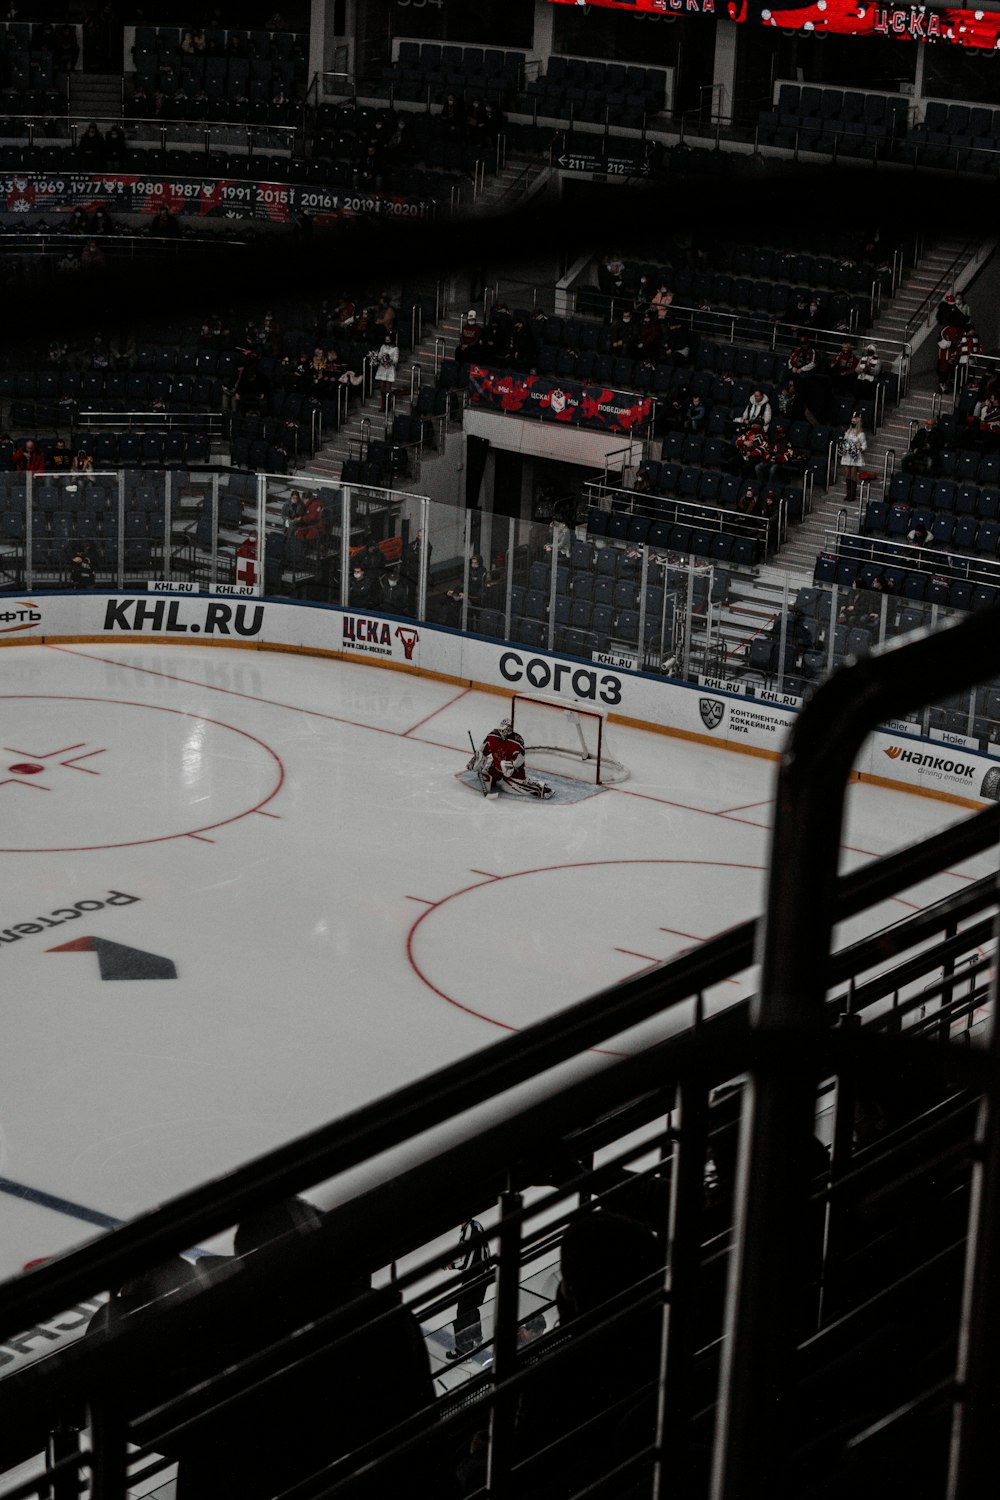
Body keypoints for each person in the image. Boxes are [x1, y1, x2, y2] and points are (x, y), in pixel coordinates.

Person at [467, 717, 552, 799]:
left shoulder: (517, 741)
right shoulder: (492, 736)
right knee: (484, 774)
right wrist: (477, 759)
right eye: (504, 730)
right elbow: (483, 751)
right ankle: (492, 772)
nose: (506, 732)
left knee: (509, 787)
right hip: (496, 767)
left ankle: (540, 788)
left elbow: (520, 759)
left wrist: (511, 765)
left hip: (513, 771)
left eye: (508, 730)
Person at [446, 1218, 492, 1360]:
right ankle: (476, 1339)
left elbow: (467, 1262)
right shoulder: (475, 1225)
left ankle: (463, 1349)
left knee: (463, 1312)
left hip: (474, 1278)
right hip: (481, 1276)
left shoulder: (471, 1231)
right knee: (471, 1309)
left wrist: (451, 1265)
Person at [839, 412, 868, 506]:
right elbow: (845, 440)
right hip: (847, 454)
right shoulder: (848, 431)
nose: (853, 423)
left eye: (854, 422)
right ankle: (848, 494)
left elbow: (864, 446)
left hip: (855, 456)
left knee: (853, 475)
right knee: (847, 475)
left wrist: (858, 448)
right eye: (852, 421)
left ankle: (853, 494)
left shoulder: (861, 433)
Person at [369, 332, 399, 411]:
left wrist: (389, 359)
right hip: (382, 368)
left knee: (388, 388)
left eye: (388, 339)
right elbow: (379, 356)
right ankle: (383, 406)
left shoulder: (395, 348)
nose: (387, 341)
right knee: (382, 388)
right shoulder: (383, 346)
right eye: (386, 339)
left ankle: (388, 406)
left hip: (389, 369)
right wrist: (379, 358)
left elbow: (396, 360)